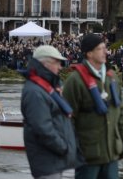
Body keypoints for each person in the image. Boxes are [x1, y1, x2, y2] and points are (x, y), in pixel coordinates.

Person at [63, 33, 123, 179]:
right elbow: (66, 118)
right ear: (89, 53)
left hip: (111, 152)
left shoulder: (112, 78)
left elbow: (121, 111)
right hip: (88, 155)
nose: (105, 51)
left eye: (104, 48)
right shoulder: (75, 81)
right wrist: (73, 147)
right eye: (100, 48)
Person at [21, 45, 82, 178]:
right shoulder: (35, 92)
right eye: (57, 63)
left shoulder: (47, 87)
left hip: (53, 159)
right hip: (47, 159)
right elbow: (42, 128)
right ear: (46, 64)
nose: (60, 67)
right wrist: (63, 147)